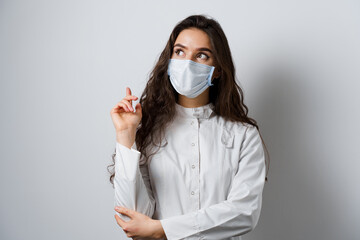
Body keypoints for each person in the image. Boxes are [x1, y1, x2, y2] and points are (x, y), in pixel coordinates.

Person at [108, 14, 270, 240]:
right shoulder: (149, 131)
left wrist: (162, 230)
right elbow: (132, 216)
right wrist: (125, 135)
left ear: (218, 69)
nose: (188, 63)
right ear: (169, 60)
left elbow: (244, 213)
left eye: (202, 55)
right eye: (180, 52)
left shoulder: (243, 135)